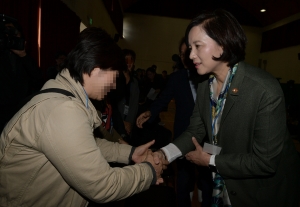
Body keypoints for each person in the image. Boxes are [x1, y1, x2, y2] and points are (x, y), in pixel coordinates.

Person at [0, 27, 166, 206]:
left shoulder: (68, 97)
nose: (113, 85)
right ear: (96, 70)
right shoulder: (63, 110)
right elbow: (102, 185)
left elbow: (86, 146)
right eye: (113, 76)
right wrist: (149, 172)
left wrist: (131, 153)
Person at [153, 9, 300, 207]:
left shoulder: (264, 90)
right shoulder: (205, 84)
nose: (191, 55)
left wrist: (210, 161)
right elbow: (195, 130)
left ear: (222, 46)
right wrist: (163, 154)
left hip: (260, 194)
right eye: (189, 47)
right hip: (225, 186)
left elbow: (265, 163)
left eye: (197, 46)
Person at [137, 37, 212, 207]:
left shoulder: (209, 77)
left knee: (207, 179)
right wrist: (150, 111)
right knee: (184, 179)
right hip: (183, 137)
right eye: (182, 54)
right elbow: (163, 99)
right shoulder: (177, 77)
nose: (186, 57)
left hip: (207, 138)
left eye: (189, 52)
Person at [0, 15, 42, 131]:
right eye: (7, 32)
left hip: (20, 115)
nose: (11, 36)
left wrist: (23, 55)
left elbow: (38, 79)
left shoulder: (24, 58)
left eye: (14, 32)